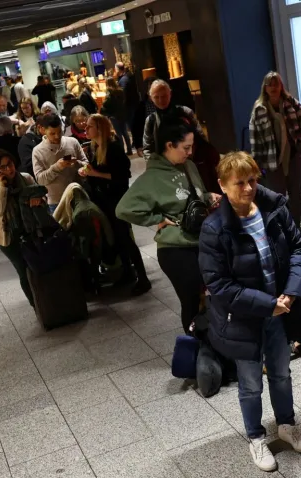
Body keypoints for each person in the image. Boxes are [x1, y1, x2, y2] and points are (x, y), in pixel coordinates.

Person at [199, 150, 301, 470]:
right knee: (250, 383)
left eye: (251, 181)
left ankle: (286, 425)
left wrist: (290, 293)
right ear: (222, 185)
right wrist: (267, 305)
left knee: (281, 373)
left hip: (279, 309)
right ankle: (256, 437)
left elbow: (299, 248)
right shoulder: (214, 229)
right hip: (243, 319)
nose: (247, 189)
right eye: (238, 184)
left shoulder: (274, 208)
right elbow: (218, 285)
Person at [117, 118, 214, 333]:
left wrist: (208, 197)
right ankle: (195, 352)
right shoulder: (152, 177)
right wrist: (157, 218)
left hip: (201, 241)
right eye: (186, 147)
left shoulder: (188, 166)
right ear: (169, 145)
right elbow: (123, 209)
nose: (190, 152)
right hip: (175, 249)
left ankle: (214, 349)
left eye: (191, 147)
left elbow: (197, 194)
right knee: (191, 302)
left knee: (211, 299)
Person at [79, 114, 150, 295]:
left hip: (116, 199)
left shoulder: (113, 148)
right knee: (118, 239)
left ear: (99, 128)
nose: (85, 129)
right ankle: (127, 271)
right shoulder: (96, 147)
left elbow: (121, 176)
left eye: (89, 126)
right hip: (105, 199)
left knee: (125, 237)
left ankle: (142, 278)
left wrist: (95, 174)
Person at [249, 72, 301, 222]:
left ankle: (296, 226)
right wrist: (257, 163)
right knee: (277, 195)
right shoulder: (259, 110)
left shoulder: (292, 104)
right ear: (265, 88)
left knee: (295, 192)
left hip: (292, 156)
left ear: (281, 86)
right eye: (269, 84)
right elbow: (255, 138)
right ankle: (282, 227)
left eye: (276, 83)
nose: (273, 87)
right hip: (271, 160)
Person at [0, 149, 39, 307]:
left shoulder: (26, 178)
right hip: (9, 237)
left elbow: (41, 195)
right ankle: (36, 306)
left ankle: (46, 299)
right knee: (23, 271)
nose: (9, 169)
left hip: (31, 229)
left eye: (10, 164)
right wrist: (2, 188)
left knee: (38, 266)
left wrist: (37, 198)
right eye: (3, 167)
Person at [32, 113, 87, 213]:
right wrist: (57, 167)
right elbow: (40, 180)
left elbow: (86, 165)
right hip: (57, 202)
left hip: (79, 195)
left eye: (59, 132)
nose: (57, 136)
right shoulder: (37, 151)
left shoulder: (73, 142)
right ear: (44, 130)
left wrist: (77, 164)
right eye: (52, 133)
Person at [142, 80, 203, 160]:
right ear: (150, 98)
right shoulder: (151, 120)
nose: (160, 100)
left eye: (164, 96)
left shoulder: (186, 112)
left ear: (170, 94)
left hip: (191, 161)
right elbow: (147, 149)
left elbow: (201, 137)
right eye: (156, 97)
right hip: (165, 167)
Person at [101, 77, 132, 154]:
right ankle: (129, 149)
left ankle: (122, 151)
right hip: (122, 113)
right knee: (124, 131)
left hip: (114, 115)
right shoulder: (120, 90)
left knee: (118, 134)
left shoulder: (109, 92)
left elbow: (106, 103)